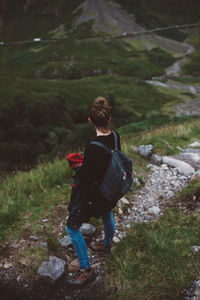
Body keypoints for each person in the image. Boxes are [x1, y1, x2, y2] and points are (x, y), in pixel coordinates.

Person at [66, 96, 121, 286]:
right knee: (107, 214)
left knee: (71, 228)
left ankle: (86, 269)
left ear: (90, 121)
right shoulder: (115, 136)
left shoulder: (92, 147)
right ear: (109, 120)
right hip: (109, 190)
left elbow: (86, 178)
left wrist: (78, 166)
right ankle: (107, 244)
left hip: (94, 194)